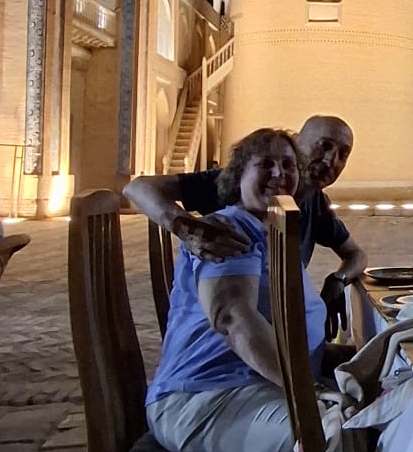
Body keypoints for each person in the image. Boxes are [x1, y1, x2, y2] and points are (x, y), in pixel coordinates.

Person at [146, 128, 336, 452]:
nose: (279, 173)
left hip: (259, 388)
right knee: (338, 440)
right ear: (237, 176)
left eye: (288, 165)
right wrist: (311, 389)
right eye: (266, 164)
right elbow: (233, 319)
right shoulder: (226, 232)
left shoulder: (271, 230)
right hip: (206, 400)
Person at [125, 113, 366, 332]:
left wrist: (338, 280)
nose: (331, 160)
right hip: (225, 339)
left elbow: (356, 254)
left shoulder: (315, 202)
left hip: (276, 334)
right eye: (324, 146)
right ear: (296, 145)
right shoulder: (244, 185)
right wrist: (186, 227)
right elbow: (137, 188)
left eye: (343, 154)